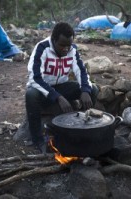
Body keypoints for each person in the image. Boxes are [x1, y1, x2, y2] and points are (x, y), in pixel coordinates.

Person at [25, 22, 99, 153]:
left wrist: (85, 90)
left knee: (93, 89)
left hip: (62, 87)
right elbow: (35, 78)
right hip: (44, 91)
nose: (66, 49)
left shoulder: (72, 49)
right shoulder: (42, 48)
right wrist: (57, 97)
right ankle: (37, 140)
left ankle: (84, 127)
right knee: (31, 94)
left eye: (68, 45)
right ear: (54, 40)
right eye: (62, 45)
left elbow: (81, 71)